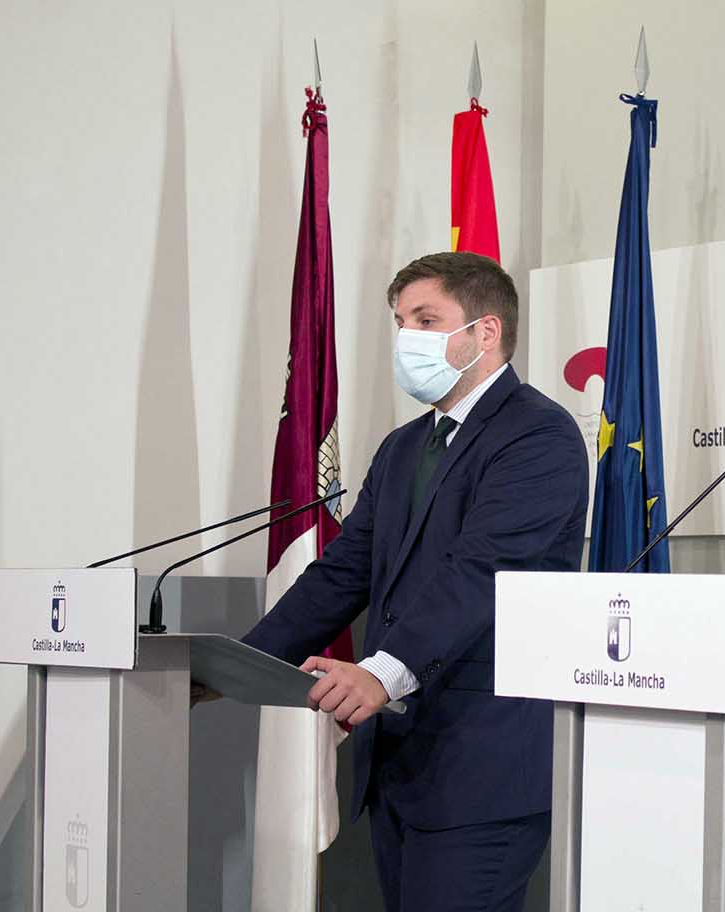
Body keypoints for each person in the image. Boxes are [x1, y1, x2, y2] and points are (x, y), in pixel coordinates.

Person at [241, 251, 589, 912]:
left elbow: (484, 571)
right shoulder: (404, 446)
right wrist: (237, 664)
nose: (407, 337)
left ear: (485, 332)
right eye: (401, 321)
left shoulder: (538, 434)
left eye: (426, 319)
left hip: (483, 761)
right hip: (400, 758)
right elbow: (344, 572)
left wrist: (379, 671)